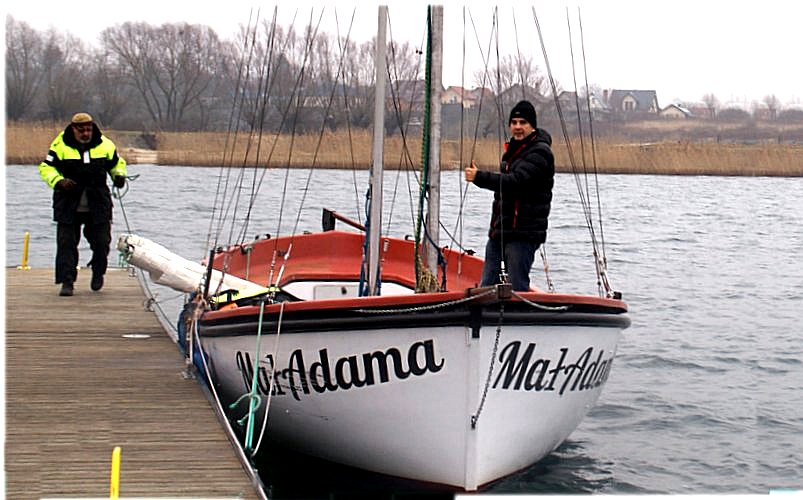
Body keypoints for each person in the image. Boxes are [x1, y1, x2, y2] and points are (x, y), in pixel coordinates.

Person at [464, 100, 554, 291]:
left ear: (532, 126)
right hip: (500, 231)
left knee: (517, 286)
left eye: (523, 122)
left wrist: (479, 177)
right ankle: (485, 309)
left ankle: (520, 310)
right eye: (514, 123)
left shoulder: (540, 152)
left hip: (523, 234)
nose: (517, 127)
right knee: (487, 284)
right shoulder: (512, 152)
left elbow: (515, 182)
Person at [38, 112, 128, 296]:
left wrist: (119, 176)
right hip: (68, 203)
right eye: (81, 130)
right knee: (66, 244)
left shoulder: (105, 144)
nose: (85, 133)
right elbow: (46, 167)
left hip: (98, 203)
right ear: (73, 129)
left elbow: (117, 164)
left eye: (88, 129)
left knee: (102, 243)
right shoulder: (59, 145)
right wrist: (59, 181)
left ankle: (98, 272)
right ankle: (67, 282)